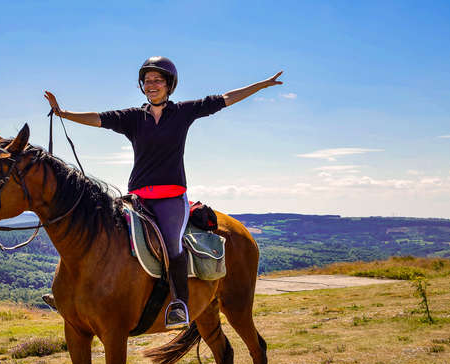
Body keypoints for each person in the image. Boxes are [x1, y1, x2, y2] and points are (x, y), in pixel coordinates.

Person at [45, 56, 283, 329]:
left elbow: (225, 98)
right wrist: (64, 113)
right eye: (147, 80)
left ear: (169, 85)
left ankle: (179, 304)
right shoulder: (133, 118)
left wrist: (261, 86)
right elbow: (99, 118)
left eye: (158, 80)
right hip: (136, 198)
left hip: (171, 198)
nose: (152, 84)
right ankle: (72, 294)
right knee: (103, 237)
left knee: (172, 244)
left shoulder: (183, 112)